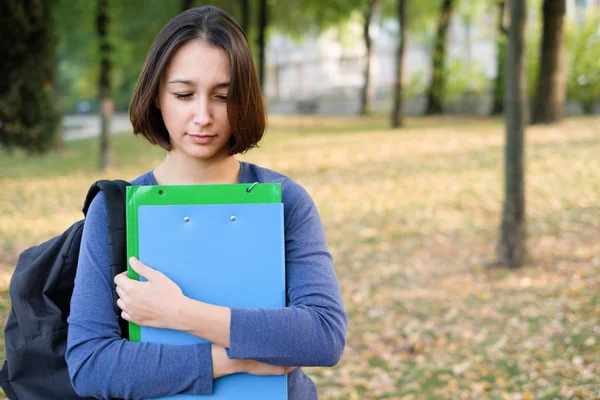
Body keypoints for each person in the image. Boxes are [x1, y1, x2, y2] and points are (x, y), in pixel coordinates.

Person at [66, 6, 347, 399]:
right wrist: (232, 360)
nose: (203, 116)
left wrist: (178, 313)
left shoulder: (286, 201)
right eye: (184, 94)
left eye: (223, 96)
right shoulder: (114, 212)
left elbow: (323, 335)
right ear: (157, 98)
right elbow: (91, 365)